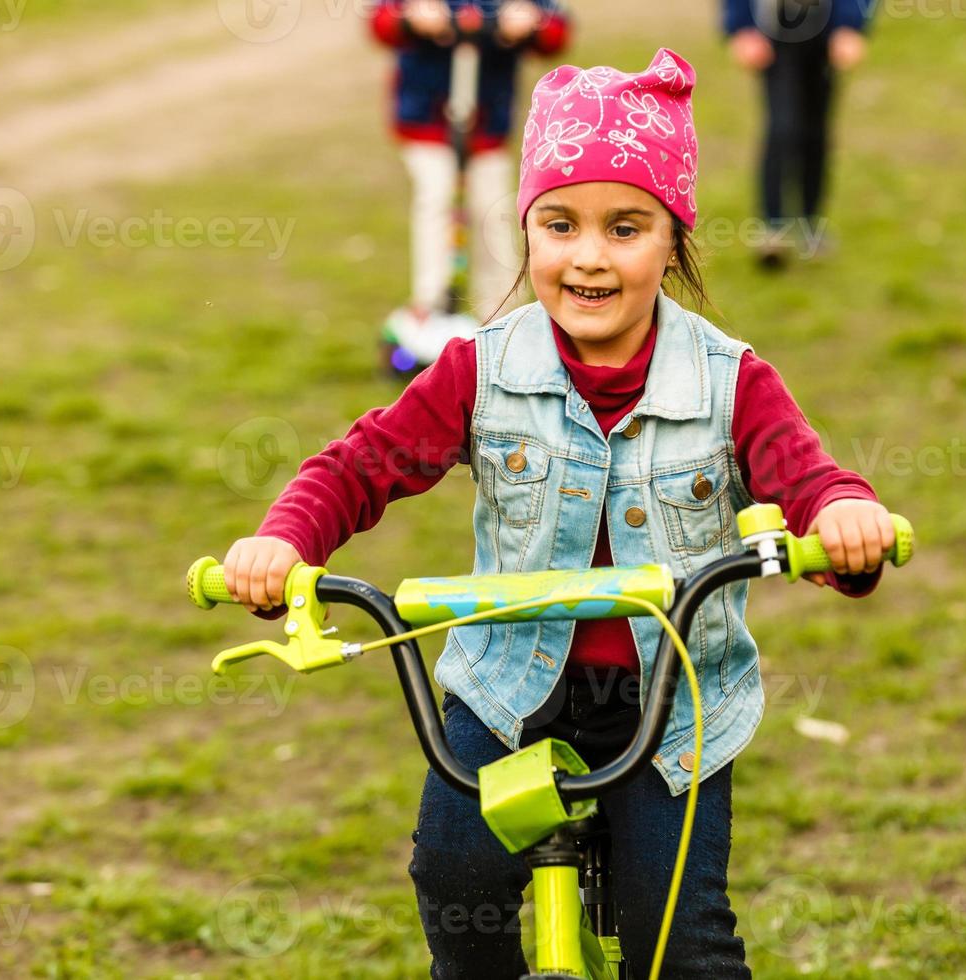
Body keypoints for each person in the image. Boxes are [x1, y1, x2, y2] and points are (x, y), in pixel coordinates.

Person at [221, 49, 895, 979]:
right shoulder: (482, 370)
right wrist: (282, 541)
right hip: (508, 691)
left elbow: (811, 479)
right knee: (453, 876)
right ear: (527, 232)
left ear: (674, 239)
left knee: (682, 942)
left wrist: (847, 524)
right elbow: (362, 463)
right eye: (559, 224)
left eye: (626, 227)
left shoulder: (731, 381)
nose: (588, 256)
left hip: (672, 708)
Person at [370, 0, 571, 322]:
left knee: (491, 211)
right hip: (428, 117)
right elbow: (381, 20)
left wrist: (531, 22)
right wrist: (409, 16)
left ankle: (503, 313)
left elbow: (555, 31)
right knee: (437, 199)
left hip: (487, 121)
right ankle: (430, 304)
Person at [724, 0, 873, 268]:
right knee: (782, 129)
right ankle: (772, 228)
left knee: (816, 134)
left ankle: (810, 223)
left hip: (826, 33)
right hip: (774, 34)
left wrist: (851, 23)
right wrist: (741, 25)